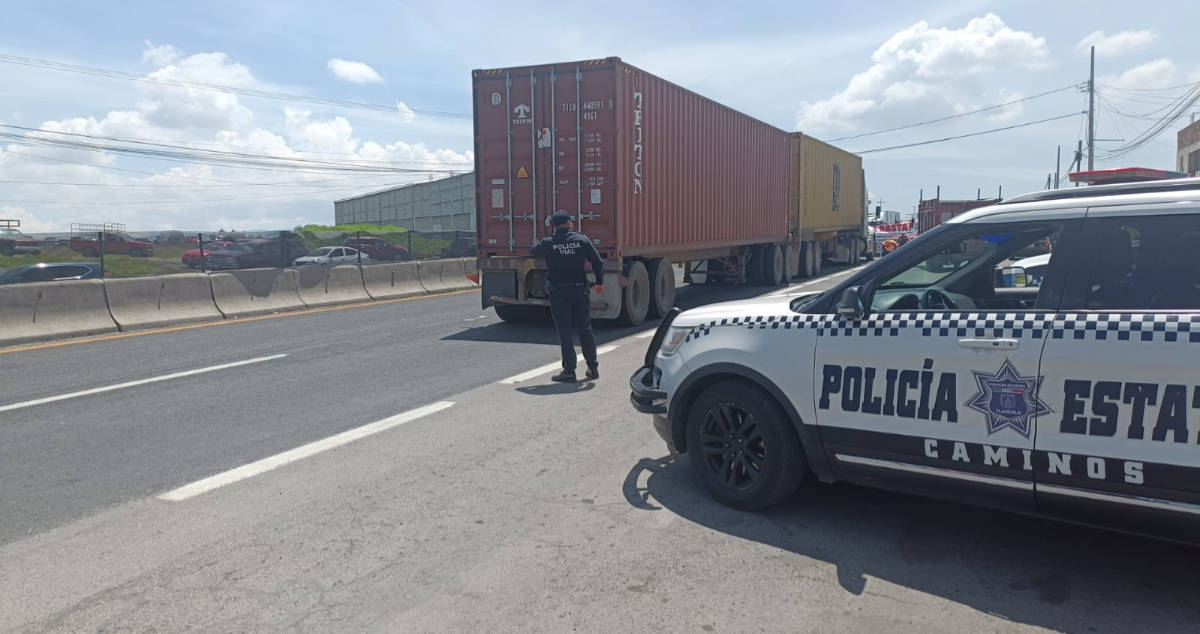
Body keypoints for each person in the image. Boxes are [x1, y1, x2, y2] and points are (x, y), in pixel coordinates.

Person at [531, 211, 605, 383]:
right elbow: (598, 262)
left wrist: (542, 240)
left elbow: (534, 251)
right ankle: (593, 368)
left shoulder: (549, 242)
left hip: (559, 293)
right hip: (580, 291)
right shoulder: (581, 240)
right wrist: (600, 282)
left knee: (565, 332)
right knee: (585, 329)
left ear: (554, 226)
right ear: (569, 223)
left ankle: (569, 371)